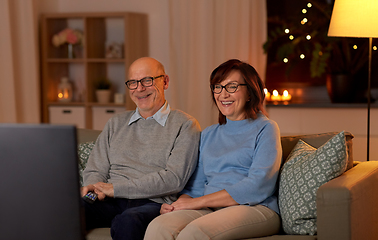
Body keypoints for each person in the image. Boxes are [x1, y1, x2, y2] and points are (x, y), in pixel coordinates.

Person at [144, 59, 282, 240]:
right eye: (217, 87)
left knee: (194, 233)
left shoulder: (266, 128)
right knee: (159, 226)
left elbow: (258, 185)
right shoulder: (208, 134)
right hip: (210, 209)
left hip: (254, 208)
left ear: (250, 92)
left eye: (232, 87)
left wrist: (198, 202)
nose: (223, 94)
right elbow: (197, 186)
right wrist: (179, 203)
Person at [81, 57, 201, 240]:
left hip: (152, 202)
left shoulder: (185, 125)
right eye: (133, 83)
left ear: (165, 81)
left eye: (147, 80)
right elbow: (95, 169)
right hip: (110, 200)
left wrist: (115, 188)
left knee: (128, 222)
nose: (139, 89)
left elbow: (174, 179)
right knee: (66, 210)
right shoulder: (115, 123)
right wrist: (94, 187)